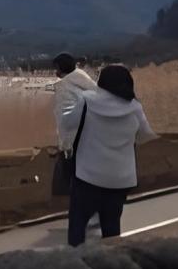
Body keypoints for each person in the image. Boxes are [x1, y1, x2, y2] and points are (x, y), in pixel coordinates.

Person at [59, 64, 158, 246]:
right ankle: (113, 266)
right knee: (112, 228)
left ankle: (77, 264)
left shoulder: (87, 100)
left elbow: (67, 122)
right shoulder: (134, 107)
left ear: (101, 81)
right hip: (120, 180)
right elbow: (145, 134)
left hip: (87, 176)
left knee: (78, 226)